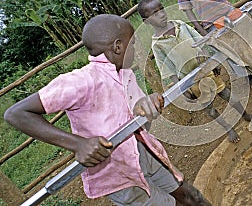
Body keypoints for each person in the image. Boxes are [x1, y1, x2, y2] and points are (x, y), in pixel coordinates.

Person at [4, 14, 211, 206]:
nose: (137, 49)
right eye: (134, 44)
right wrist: (78, 144)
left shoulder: (126, 75)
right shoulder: (81, 81)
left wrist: (148, 104)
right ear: (118, 47)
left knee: (191, 196)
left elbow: (139, 117)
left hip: (144, 154)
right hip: (118, 174)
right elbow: (16, 114)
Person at [138, 0, 252, 143]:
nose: (161, 14)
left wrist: (212, 62)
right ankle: (229, 129)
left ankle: (245, 115)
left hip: (205, 70)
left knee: (228, 94)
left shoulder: (181, 25)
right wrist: (182, 88)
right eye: (154, 14)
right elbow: (168, 69)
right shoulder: (157, 45)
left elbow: (200, 42)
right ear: (146, 21)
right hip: (191, 82)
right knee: (210, 109)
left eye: (161, 9)